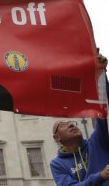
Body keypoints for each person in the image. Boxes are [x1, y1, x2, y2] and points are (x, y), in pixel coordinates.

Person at [50, 53, 109, 186]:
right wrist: (99, 176)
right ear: (57, 137)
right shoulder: (57, 164)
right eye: (63, 124)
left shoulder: (97, 141)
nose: (71, 124)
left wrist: (100, 72)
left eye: (72, 122)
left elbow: (102, 105)